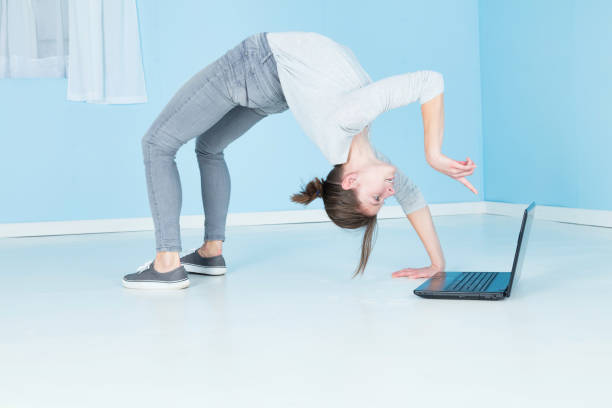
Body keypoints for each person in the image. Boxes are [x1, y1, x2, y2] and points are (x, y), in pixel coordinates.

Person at [122, 31, 478, 290]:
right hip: (275, 85)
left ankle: (167, 262)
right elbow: (412, 196)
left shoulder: (348, 121)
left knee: (157, 143)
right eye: (383, 200)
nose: (388, 194)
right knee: (210, 147)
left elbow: (429, 81)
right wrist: (438, 263)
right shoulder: (360, 147)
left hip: (253, 66)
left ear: (351, 181)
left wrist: (432, 154)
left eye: (376, 200)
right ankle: (210, 252)